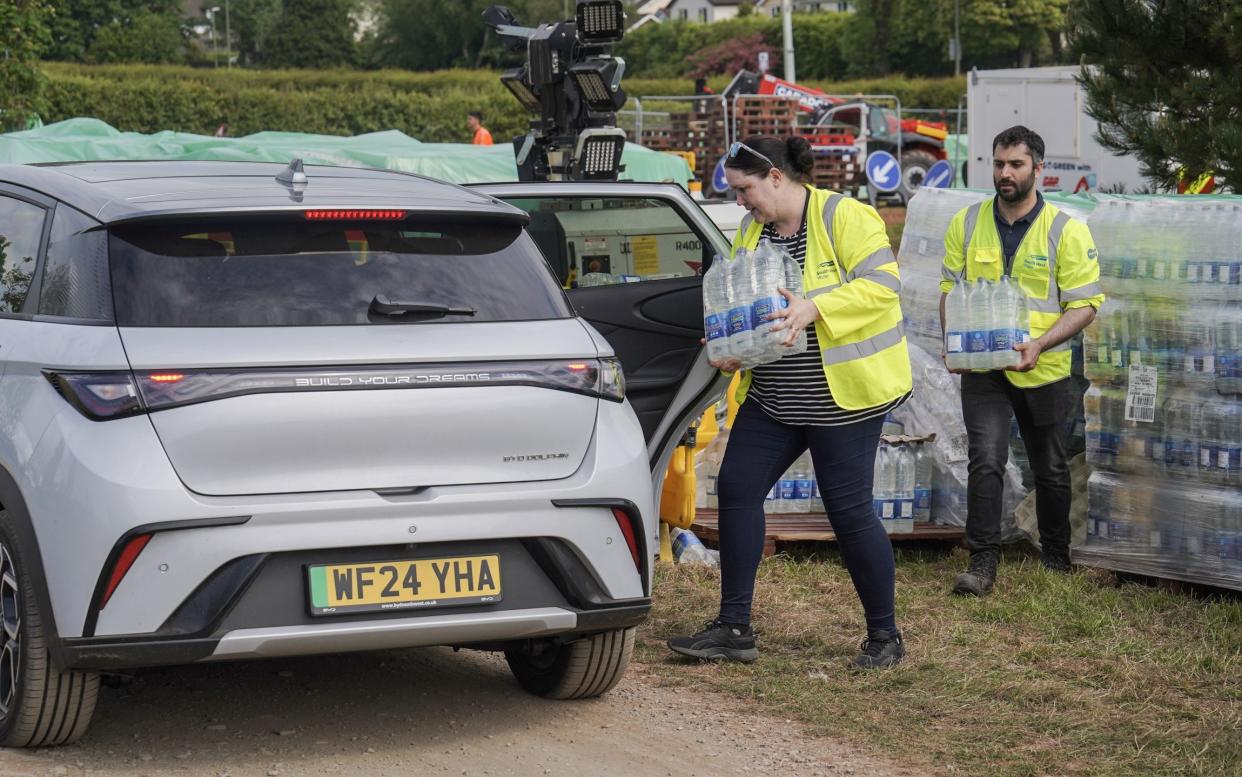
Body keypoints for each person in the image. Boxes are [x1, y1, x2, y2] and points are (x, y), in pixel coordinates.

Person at [666, 136, 913, 668]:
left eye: (744, 189)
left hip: (844, 399)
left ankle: (885, 637)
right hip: (776, 397)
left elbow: (885, 285)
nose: (740, 203)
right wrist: (730, 345)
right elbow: (747, 306)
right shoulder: (752, 235)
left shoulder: (846, 217)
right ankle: (734, 627)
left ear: (776, 177)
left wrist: (813, 308)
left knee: (848, 512)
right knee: (736, 487)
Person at [939, 125, 1104, 596]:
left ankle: (1055, 554)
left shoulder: (1065, 231)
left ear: (1038, 169)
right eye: (998, 164)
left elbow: (1085, 303)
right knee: (985, 459)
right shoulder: (967, 224)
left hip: (1044, 368)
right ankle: (983, 559)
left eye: (1015, 164)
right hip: (983, 369)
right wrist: (953, 345)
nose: (1005, 173)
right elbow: (950, 288)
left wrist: (1041, 345)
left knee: (1049, 466)